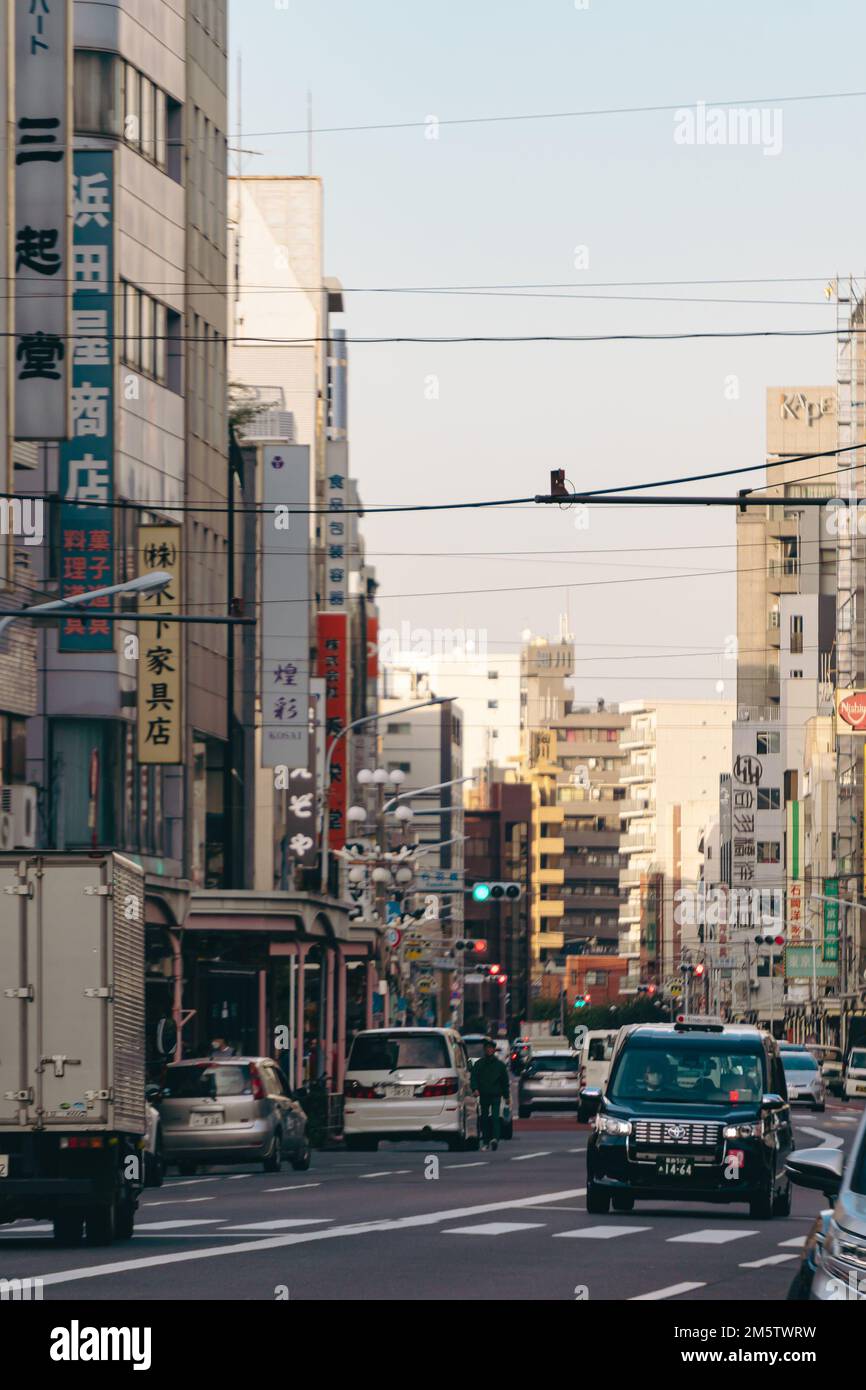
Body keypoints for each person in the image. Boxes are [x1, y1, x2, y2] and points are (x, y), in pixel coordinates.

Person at [471, 1037, 510, 1150]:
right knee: (484, 1118)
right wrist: (475, 1089)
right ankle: (485, 1141)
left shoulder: (500, 1066)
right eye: (487, 1048)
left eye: (491, 1048)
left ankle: (495, 1139)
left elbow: (504, 1082)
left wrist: (506, 1096)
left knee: (495, 1117)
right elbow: (474, 1078)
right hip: (483, 1094)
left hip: (496, 1094)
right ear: (485, 1050)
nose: (489, 1050)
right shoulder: (479, 1064)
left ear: (494, 1050)